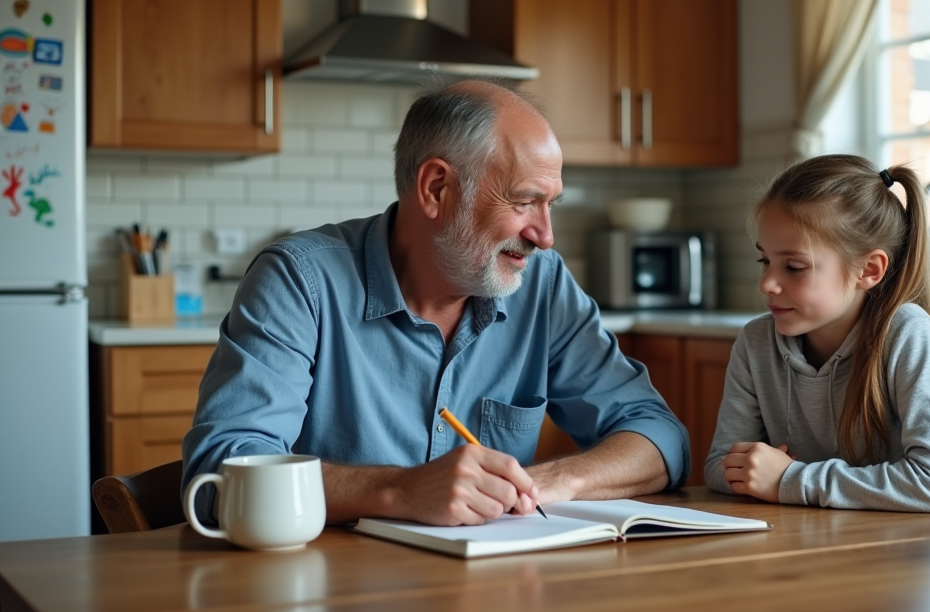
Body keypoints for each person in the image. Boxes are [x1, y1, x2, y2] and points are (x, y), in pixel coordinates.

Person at [183, 78, 689, 527]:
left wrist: (551, 482)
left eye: (549, 204)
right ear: (436, 188)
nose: (545, 235)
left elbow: (660, 438)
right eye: (523, 201)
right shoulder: (299, 281)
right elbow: (222, 471)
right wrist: (400, 491)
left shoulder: (543, 285)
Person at [704, 154, 930, 513]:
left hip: (893, 545)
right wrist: (758, 471)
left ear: (868, 270)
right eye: (765, 261)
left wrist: (790, 478)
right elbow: (719, 465)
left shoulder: (905, 333)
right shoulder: (755, 343)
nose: (767, 283)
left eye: (794, 267)